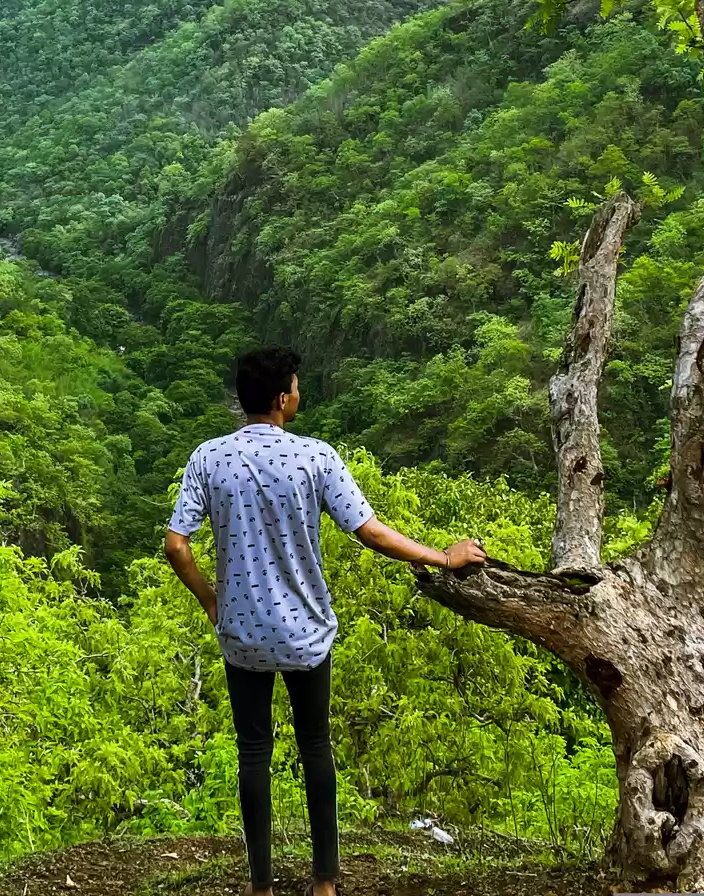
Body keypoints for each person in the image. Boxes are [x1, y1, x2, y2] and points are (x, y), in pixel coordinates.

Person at [164, 346, 487, 896]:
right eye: (295, 384)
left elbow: (177, 545)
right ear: (281, 398)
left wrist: (211, 600)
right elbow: (371, 532)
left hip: (242, 633)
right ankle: (325, 883)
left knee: (253, 753)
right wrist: (442, 556)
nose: (299, 391)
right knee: (316, 746)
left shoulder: (208, 458)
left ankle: (261, 885)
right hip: (304, 631)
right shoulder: (315, 458)